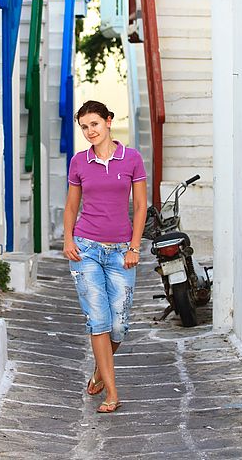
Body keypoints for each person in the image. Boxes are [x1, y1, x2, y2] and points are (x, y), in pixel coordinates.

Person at [63, 100, 147, 413]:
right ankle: (112, 392)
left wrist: (135, 246)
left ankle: (100, 369)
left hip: (121, 251)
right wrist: (68, 239)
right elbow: (72, 206)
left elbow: (140, 206)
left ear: (108, 121)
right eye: (84, 127)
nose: (89, 132)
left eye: (94, 124)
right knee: (98, 320)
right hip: (85, 249)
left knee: (119, 325)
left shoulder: (132, 159)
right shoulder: (79, 162)